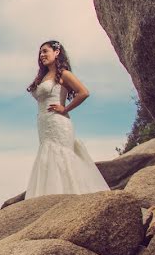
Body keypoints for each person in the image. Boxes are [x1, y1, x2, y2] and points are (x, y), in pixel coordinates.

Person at [24, 40, 109, 198]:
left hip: (58, 122)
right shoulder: (43, 77)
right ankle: (51, 198)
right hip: (44, 124)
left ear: (56, 53)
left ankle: (72, 198)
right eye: (40, 53)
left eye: (45, 51)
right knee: (47, 159)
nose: (41, 55)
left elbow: (83, 92)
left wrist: (65, 108)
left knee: (60, 157)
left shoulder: (64, 74)